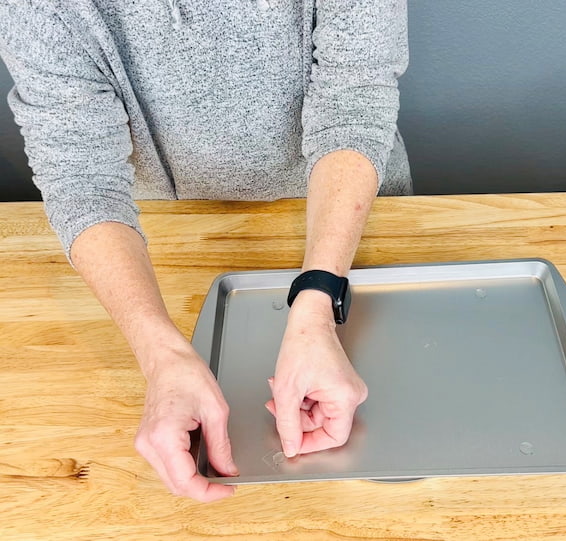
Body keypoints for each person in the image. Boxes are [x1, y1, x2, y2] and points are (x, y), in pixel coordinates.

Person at [0, 0, 410, 502]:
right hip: (169, 234)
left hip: (349, 211)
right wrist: (162, 357)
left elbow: (354, 98)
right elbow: (80, 175)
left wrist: (318, 301)